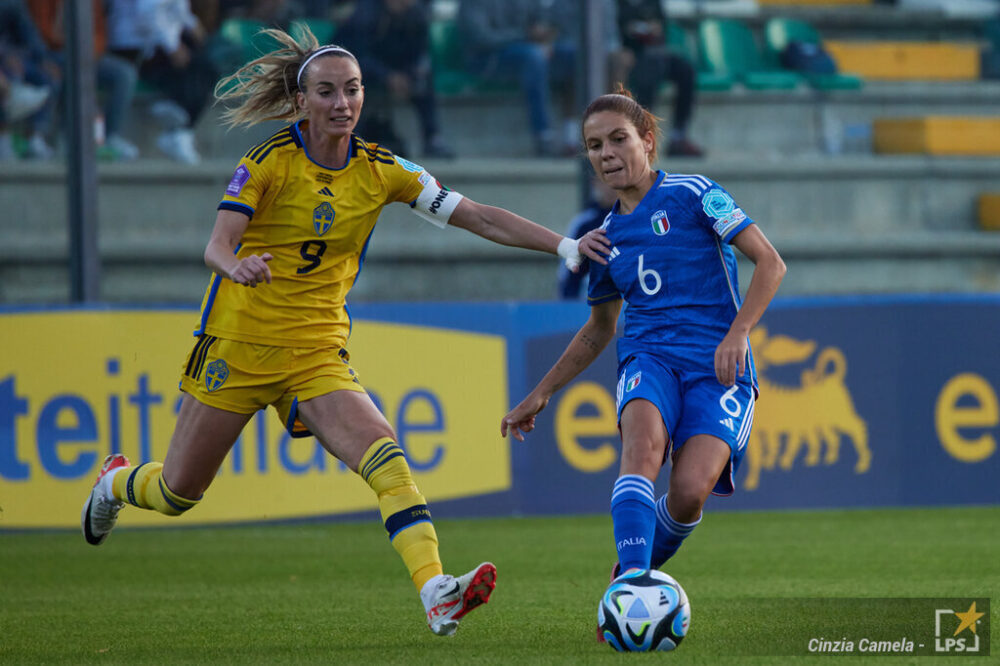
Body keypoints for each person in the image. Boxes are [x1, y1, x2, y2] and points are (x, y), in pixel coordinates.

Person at [80, 27, 591, 637]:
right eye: (327, 92)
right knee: (178, 491)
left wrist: (565, 246)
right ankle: (114, 483)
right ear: (302, 101)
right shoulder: (267, 162)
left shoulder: (382, 170)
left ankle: (435, 590)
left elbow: (477, 216)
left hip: (316, 353)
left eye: (353, 89)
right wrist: (235, 266)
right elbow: (217, 245)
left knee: (386, 457)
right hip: (238, 347)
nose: (343, 102)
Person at [502, 88, 785, 629]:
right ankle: (633, 583)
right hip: (649, 358)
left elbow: (770, 263)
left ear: (647, 141)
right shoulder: (603, 240)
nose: (606, 153)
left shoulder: (694, 193)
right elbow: (599, 329)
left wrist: (739, 333)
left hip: (717, 367)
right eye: (594, 145)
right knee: (642, 449)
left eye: (618, 139)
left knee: (689, 492)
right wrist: (541, 392)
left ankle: (632, 571)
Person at [337, 0, 454, 158]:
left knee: (424, 81)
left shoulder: (416, 15)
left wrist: (410, 75)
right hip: (359, 69)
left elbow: (420, 55)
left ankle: (432, 138)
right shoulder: (366, 14)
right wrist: (387, 76)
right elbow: (357, 56)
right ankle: (348, 141)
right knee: (354, 82)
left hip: (397, 70)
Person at [27, 0, 141, 161]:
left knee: (124, 74)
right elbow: (39, 32)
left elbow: (100, 34)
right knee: (67, 72)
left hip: (86, 55)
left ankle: (110, 136)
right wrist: (71, 46)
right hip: (52, 53)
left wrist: (89, 52)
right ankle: (45, 137)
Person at [107, 0, 218, 164]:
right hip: (133, 44)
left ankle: (180, 126)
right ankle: (180, 124)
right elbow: (147, 14)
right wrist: (172, 46)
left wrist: (192, 24)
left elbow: (176, 9)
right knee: (199, 66)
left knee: (208, 66)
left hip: (158, 40)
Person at [616, 0, 703, 157]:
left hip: (656, 51)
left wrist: (654, 29)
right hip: (631, 54)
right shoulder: (616, 4)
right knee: (649, 70)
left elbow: (661, 28)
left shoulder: (653, 2)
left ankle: (678, 136)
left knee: (686, 70)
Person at [557, 178, 617, 299]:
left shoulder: (640, 221)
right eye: (604, 180)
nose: (611, 187)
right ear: (595, 183)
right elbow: (569, 275)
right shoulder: (583, 225)